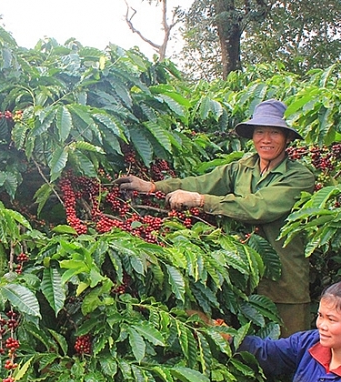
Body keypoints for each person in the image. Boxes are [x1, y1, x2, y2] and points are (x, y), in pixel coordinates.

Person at [115, 99, 315, 335]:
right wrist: (152, 186)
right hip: (242, 280)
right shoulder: (242, 167)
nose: (266, 139)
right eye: (260, 132)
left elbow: (257, 207)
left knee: (287, 353)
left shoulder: (300, 177)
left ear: (287, 138)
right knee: (244, 348)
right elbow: (204, 182)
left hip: (284, 283)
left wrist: (201, 200)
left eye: (274, 133)